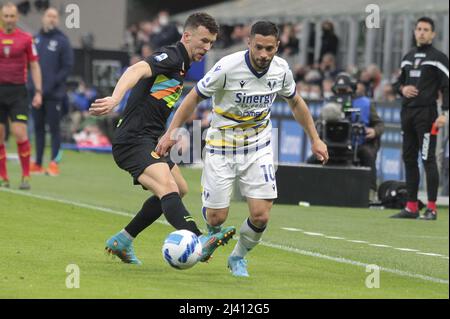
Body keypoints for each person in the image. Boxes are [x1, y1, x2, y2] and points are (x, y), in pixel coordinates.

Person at [157, 21, 328, 277]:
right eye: (258, 47)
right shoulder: (227, 67)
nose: (263, 54)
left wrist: (315, 139)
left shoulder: (281, 70)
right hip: (221, 145)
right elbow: (194, 96)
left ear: (277, 46)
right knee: (216, 218)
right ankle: (212, 234)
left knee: (261, 216)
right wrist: (173, 132)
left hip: (258, 147)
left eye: (269, 48)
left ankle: (238, 257)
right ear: (248, 43)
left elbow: (296, 102)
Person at [89, 13, 235, 265]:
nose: (207, 47)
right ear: (187, 36)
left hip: (147, 139)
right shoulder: (171, 56)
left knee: (179, 188)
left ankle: (122, 240)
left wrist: (168, 134)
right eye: (203, 41)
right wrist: (115, 98)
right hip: (132, 141)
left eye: (211, 43)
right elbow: (136, 69)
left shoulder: (183, 64)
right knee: (168, 189)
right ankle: (198, 238)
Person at [391, 17, 448, 220]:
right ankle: (412, 206)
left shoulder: (438, 58)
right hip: (407, 113)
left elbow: (447, 87)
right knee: (408, 158)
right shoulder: (407, 57)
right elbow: (397, 83)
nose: (421, 32)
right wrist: (402, 88)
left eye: (426, 29)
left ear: (433, 34)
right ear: (414, 32)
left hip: (427, 114)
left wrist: (445, 113)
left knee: (427, 158)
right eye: (419, 29)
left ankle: (431, 208)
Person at [0, 2, 42, 190]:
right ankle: (3, 177)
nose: (9, 19)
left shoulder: (26, 38)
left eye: (12, 16)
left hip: (18, 92)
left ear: (17, 18)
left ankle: (26, 176)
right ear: (2, 17)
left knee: (19, 133)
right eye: (6, 16)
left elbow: (34, 65)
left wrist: (39, 91)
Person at [29, 7, 74, 177]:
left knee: (54, 129)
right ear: (43, 18)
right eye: (49, 16)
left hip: (54, 95)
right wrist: (32, 86)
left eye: (55, 16)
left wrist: (50, 85)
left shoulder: (63, 41)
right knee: (38, 129)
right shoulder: (35, 39)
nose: (52, 19)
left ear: (58, 20)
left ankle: (54, 163)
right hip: (35, 94)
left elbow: (67, 67)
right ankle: (38, 163)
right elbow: (29, 65)